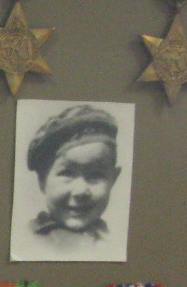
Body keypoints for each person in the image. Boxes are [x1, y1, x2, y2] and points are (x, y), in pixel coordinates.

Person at [23, 103, 123, 252]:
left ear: (113, 180)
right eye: (67, 173)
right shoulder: (27, 240)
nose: (81, 191)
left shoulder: (115, 241)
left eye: (96, 175)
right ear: (42, 180)